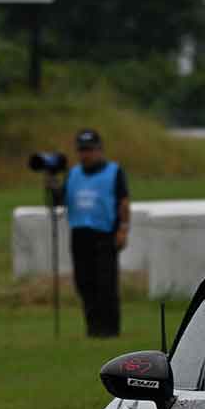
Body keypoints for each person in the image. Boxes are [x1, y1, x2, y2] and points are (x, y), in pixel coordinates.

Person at [47, 129, 129, 337]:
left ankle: (110, 329)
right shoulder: (73, 173)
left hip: (105, 232)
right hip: (79, 233)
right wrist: (53, 186)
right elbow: (61, 200)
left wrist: (123, 228)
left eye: (90, 150)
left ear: (99, 150)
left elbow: (123, 202)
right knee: (84, 283)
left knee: (106, 283)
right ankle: (93, 328)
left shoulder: (113, 171)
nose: (86, 154)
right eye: (82, 150)